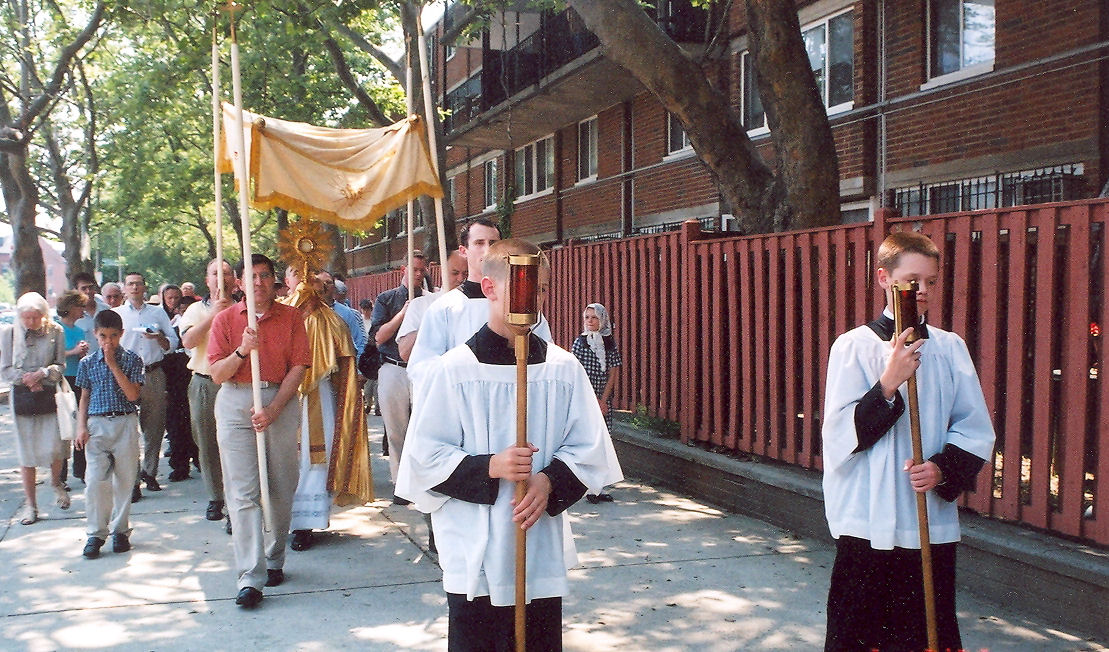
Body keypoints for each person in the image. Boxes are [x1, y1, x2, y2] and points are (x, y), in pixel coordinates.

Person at [396, 239, 623, 651]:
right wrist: (489, 467)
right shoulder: (455, 370)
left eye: (539, 288)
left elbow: (590, 447)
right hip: (475, 550)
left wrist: (550, 482)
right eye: (520, 286)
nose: (531, 298)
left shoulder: (562, 369)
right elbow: (423, 457)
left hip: (536, 545)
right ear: (489, 288)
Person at [821, 231, 996, 651]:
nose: (922, 292)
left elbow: (974, 426)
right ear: (883, 278)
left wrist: (942, 467)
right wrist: (889, 382)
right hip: (869, 517)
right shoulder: (854, 347)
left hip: (927, 518)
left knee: (924, 631)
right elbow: (839, 433)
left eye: (931, 282)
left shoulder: (950, 348)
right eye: (911, 281)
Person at [208, 254, 310, 609]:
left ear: (274, 281)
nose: (258, 283)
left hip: (278, 399)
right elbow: (218, 373)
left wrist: (274, 409)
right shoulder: (224, 319)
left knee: (281, 484)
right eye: (250, 277)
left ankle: (274, 556)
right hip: (236, 402)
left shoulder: (292, 317)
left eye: (265, 276)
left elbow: (299, 366)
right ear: (238, 283)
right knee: (242, 492)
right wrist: (242, 350)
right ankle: (250, 576)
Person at [282, 268, 373, 552]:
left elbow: (345, 366)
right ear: (289, 282)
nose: (310, 288)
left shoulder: (333, 320)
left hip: (319, 398)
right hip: (282, 395)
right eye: (300, 278)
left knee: (315, 461)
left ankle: (305, 523)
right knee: (283, 458)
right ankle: (278, 518)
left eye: (320, 285)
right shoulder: (280, 315)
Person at [407, 218, 552, 377]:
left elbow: (546, 360)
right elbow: (423, 368)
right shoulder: (445, 308)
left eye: (493, 243)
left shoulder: (522, 306)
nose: (487, 250)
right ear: (463, 250)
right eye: (479, 243)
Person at [74, 309, 144, 559]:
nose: (108, 341)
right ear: (95, 334)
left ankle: (121, 530)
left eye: (113, 336)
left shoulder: (132, 359)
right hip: (97, 424)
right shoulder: (87, 363)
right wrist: (81, 427)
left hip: (124, 421)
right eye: (103, 336)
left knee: (125, 479)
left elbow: (133, 395)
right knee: (95, 481)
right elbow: (84, 396)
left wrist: (114, 364)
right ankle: (95, 532)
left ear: (121, 334)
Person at [2, 292, 69, 526]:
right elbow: (6, 369)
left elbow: (60, 365)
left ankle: (55, 482)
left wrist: (42, 374)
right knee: (26, 453)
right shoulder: (9, 333)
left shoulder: (56, 331)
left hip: (48, 392)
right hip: (22, 395)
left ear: (43, 315)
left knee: (55, 446)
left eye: (35, 317)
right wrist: (27, 379)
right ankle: (31, 505)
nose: (30, 322)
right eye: (26, 318)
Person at [179, 259, 236, 528]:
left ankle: (237, 497)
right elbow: (188, 341)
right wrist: (214, 314)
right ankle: (216, 496)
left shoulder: (243, 307)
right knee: (207, 440)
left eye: (226, 273)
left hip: (236, 383)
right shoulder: (194, 310)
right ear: (207, 279)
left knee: (236, 444)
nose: (221, 278)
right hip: (205, 382)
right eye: (216, 274)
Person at [368, 251, 429, 497]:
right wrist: (403, 313)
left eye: (421, 270)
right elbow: (377, 337)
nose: (418, 274)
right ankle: (400, 483)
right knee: (396, 428)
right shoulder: (387, 298)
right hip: (393, 366)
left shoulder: (431, 299)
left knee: (422, 426)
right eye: (413, 269)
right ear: (403, 269)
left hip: (420, 367)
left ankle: (422, 480)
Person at [114, 272, 178, 498]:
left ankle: (149, 472)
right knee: (128, 429)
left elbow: (172, 343)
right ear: (125, 288)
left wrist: (159, 337)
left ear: (144, 287)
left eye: (138, 284)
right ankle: (131, 480)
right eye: (130, 284)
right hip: (126, 376)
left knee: (154, 426)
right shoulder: (116, 315)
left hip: (153, 373)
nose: (134, 288)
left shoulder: (157, 313)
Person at [571, 302, 622, 504]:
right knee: (588, 442)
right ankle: (588, 488)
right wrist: (592, 400)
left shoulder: (609, 343)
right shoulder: (580, 343)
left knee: (603, 442)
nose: (590, 321)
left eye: (595, 318)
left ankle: (599, 487)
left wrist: (603, 399)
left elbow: (613, 372)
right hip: (586, 399)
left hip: (603, 401)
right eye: (587, 317)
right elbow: (578, 373)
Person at [396, 251, 468, 362]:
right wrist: (432, 319)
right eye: (455, 273)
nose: (460, 279)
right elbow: (405, 353)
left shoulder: (475, 306)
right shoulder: (421, 305)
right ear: (443, 272)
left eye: (465, 274)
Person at [160, 284, 195, 482]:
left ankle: (200, 459)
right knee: (176, 426)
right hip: (175, 386)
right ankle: (180, 464)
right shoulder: (170, 329)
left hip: (195, 381)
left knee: (196, 424)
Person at [56, 290, 90, 483]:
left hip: (78, 378)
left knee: (80, 423)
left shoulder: (79, 330)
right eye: (80, 306)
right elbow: (56, 354)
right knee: (63, 426)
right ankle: (60, 476)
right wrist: (74, 351)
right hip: (62, 380)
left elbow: (79, 353)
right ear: (70, 308)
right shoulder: (57, 328)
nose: (82, 310)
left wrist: (82, 353)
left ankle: (81, 469)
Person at [317, 270, 365, 358]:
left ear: (334, 287)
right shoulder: (308, 312)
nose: (324, 286)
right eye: (319, 282)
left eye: (328, 282)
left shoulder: (346, 312)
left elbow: (358, 341)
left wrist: (355, 367)